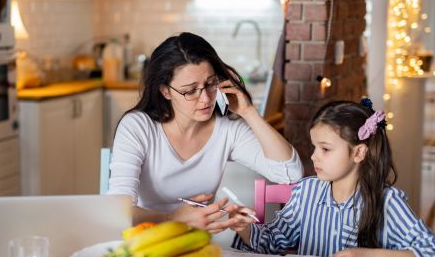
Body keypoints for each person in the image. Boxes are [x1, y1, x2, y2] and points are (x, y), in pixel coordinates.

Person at [108, 32, 304, 232]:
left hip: (197, 245)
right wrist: (173, 218)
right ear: (165, 91)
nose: (206, 99)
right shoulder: (138, 127)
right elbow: (117, 211)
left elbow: (290, 174)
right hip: (144, 241)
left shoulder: (227, 128)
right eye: (191, 90)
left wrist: (248, 112)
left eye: (210, 84)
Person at [229, 98, 435, 257]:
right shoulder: (306, 192)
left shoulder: (387, 202)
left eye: (325, 149)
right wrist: (244, 227)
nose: (314, 157)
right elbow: (271, 242)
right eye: (315, 147)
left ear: (359, 153)